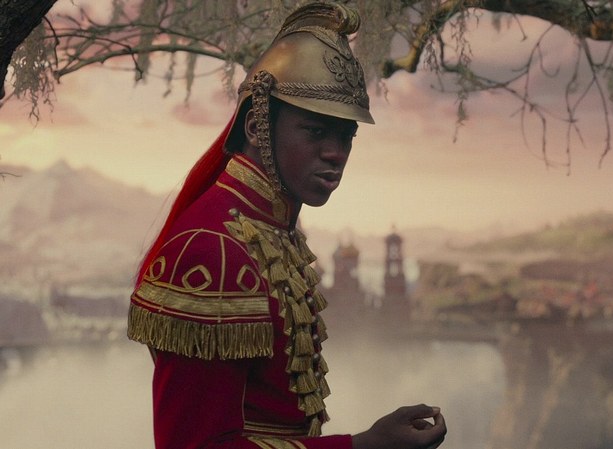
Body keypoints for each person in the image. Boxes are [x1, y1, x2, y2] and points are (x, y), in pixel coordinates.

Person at [127, 2, 447, 448]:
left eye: (346, 136)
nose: (336, 153)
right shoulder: (213, 250)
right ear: (256, 126)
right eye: (316, 131)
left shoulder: (272, 232)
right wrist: (363, 446)